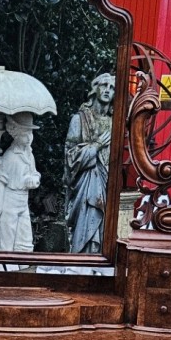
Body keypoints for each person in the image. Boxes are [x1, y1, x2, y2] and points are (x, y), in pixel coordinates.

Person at [64, 72, 115, 254]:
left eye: (112, 88)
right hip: (85, 183)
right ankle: (82, 257)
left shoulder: (114, 123)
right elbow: (70, 156)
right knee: (86, 221)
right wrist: (97, 146)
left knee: (103, 223)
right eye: (104, 86)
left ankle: (97, 256)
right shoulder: (79, 120)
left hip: (106, 180)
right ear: (95, 89)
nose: (108, 90)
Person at [0, 112, 42, 253]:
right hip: (11, 200)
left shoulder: (29, 153)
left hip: (23, 200)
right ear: (15, 133)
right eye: (25, 133)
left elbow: (34, 172)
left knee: (25, 234)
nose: (29, 138)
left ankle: (24, 261)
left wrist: (34, 179)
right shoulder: (10, 156)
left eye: (30, 133)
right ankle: (7, 265)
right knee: (8, 235)